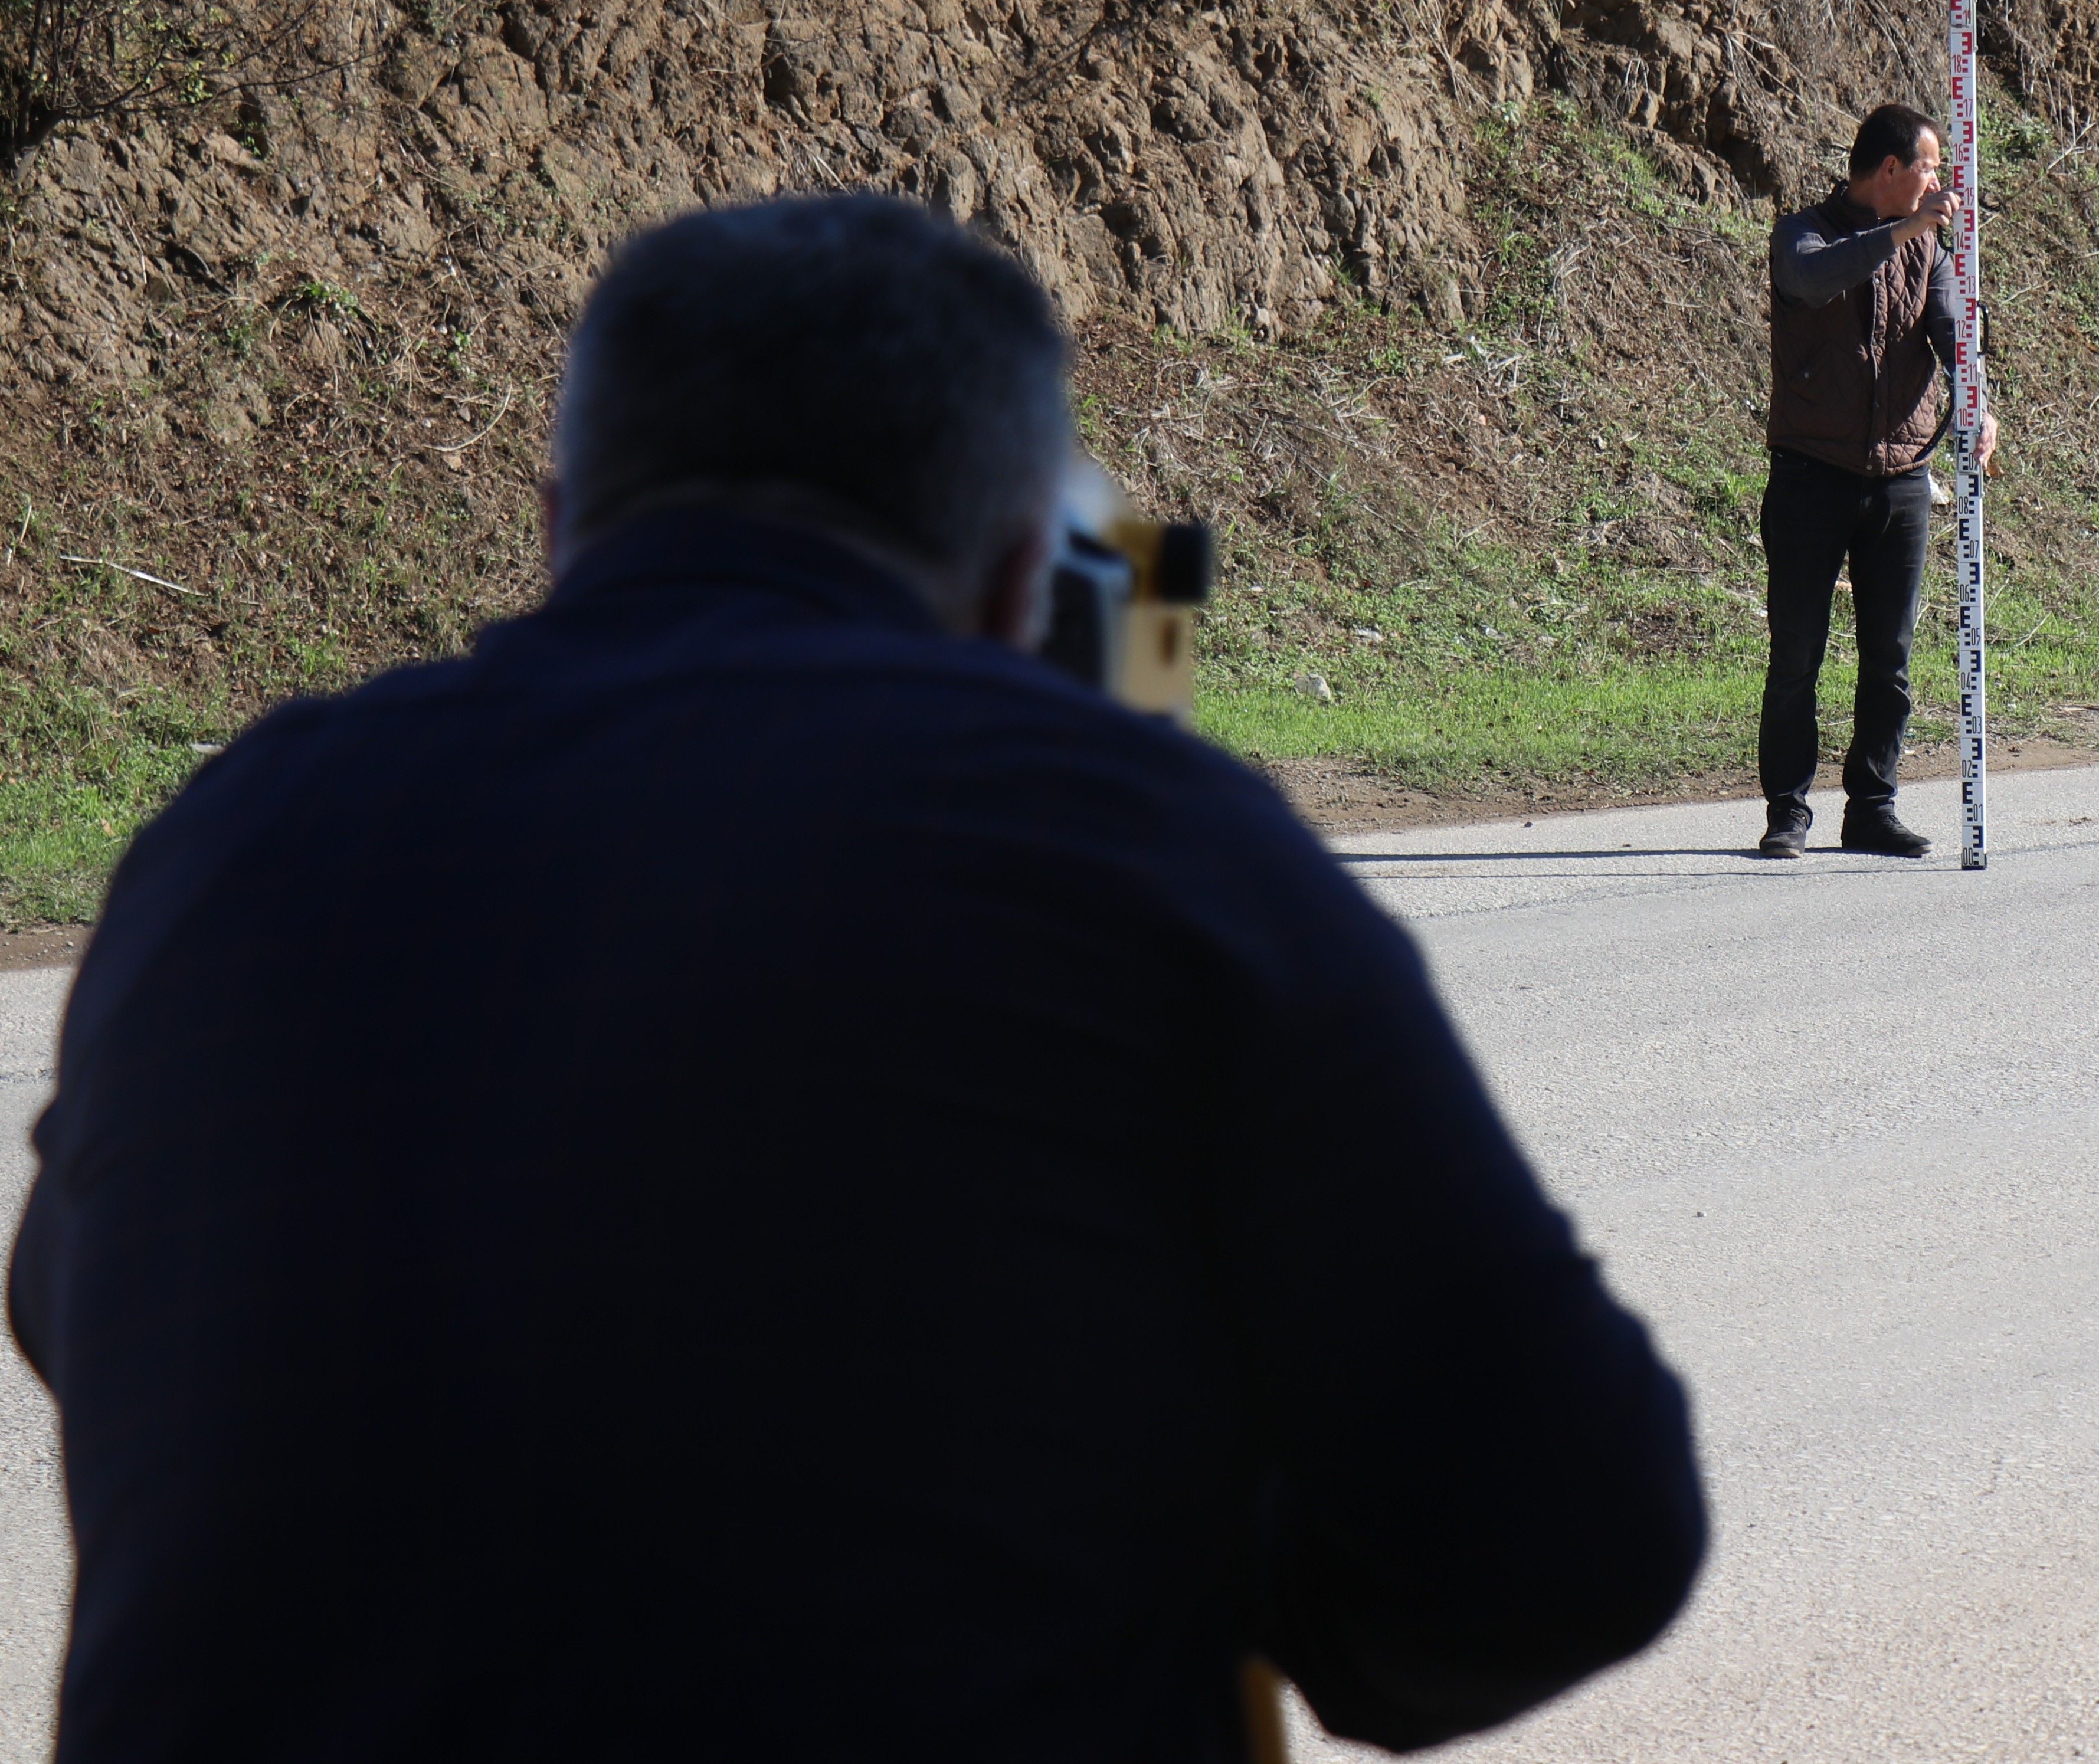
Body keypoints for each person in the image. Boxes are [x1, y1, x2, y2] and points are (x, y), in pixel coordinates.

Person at [9, 195, 1705, 1762]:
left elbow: (65, 1296)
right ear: (1033, 578)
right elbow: (1577, 1535)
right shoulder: (1143, 847)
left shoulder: (224, 841)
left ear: (556, 525)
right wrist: (1216, 1558)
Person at [1757, 103, 1999, 861]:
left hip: (1901, 480)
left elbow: (1955, 331)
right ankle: (1788, 812)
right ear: (1890, 171)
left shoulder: (1932, 249)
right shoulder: (1804, 233)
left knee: (1889, 658)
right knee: (1798, 653)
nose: (1938, 185)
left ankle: (1872, 808)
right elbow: (1815, 278)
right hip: (1810, 476)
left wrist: (1978, 403)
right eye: (1928, 167)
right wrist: (1905, 231)